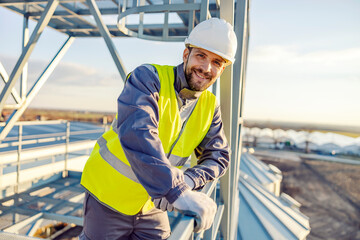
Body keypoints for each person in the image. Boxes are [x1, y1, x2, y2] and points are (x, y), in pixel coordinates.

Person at [79, 18, 237, 240]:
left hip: (152, 205)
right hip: (108, 197)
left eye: (217, 62)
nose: (206, 68)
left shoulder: (210, 106)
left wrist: (188, 181)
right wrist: (175, 191)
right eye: (201, 55)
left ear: (222, 69)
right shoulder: (148, 79)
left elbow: (219, 156)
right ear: (186, 55)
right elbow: (138, 133)